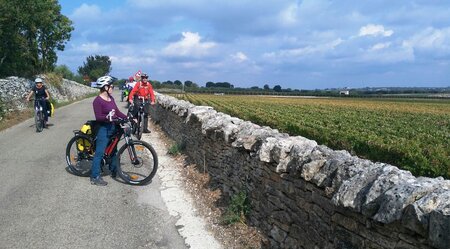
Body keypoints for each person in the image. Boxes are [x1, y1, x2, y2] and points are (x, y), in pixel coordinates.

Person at [91, 75, 128, 186]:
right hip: (103, 128)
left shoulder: (111, 98)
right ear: (105, 87)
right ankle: (95, 176)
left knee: (113, 151)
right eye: (111, 86)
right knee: (100, 153)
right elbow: (98, 117)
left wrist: (127, 117)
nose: (112, 87)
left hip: (112, 128)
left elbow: (116, 112)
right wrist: (108, 117)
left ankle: (114, 171)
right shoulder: (97, 101)